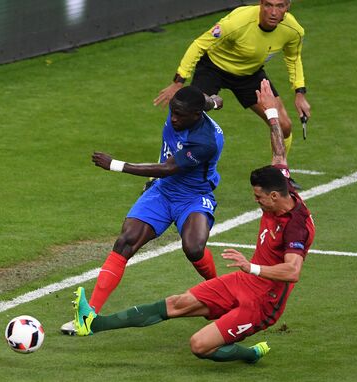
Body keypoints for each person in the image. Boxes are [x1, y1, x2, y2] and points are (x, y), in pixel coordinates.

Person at [70, 79, 316, 365]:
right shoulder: (281, 184)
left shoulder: (295, 224)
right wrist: (271, 113)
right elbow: (278, 151)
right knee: (178, 303)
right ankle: (92, 322)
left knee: (199, 344)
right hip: (241, 280)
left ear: (275, 196)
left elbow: (293, 271)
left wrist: (253, 267)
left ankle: (248, 354)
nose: (256, 201)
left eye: (259, 198)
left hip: (264, 301)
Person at [61, 86, 225, 335]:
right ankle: (87, 315)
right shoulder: (193, 106)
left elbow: (168, 167)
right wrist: (214, 100)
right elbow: (211, 101)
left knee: (193, 247)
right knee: (126, 241)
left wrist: (116, 165)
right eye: (172, 112)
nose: (173, 119)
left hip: (193, 196)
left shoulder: (206, 142)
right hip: (163, 192)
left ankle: (219, 294)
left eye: (180, 115)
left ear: (195, 115)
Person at [154, 0, 311, 154]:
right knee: (185, 114)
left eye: (280, 6)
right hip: (214, 68)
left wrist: (300, 92)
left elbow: (294, 58)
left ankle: (281, 174)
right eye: (268, 5)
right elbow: (200, 44)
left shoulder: (293, 30)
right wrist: (178, 82)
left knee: (284, 126)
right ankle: (160, 173)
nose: (273, 12)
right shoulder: (237, 22)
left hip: (249, 74)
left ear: (288, 7)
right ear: (260, 4)